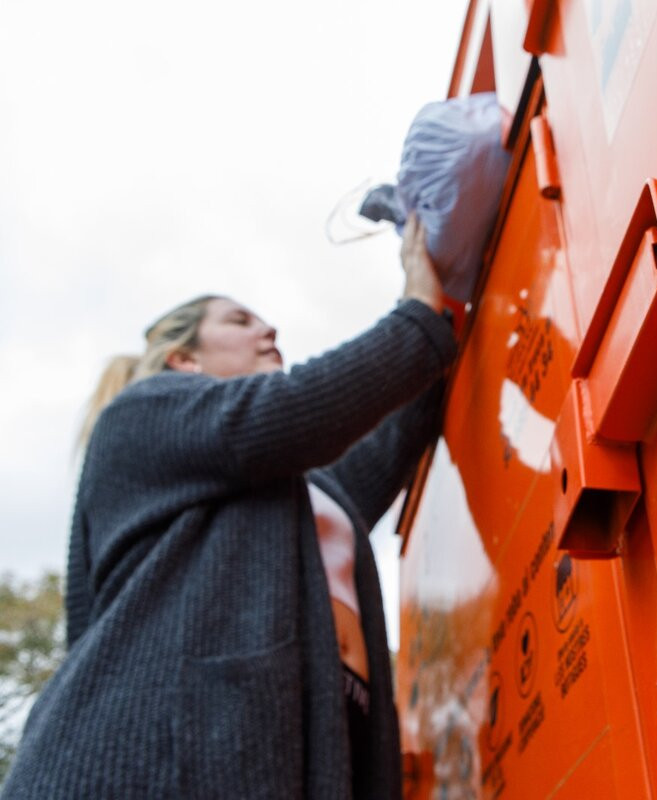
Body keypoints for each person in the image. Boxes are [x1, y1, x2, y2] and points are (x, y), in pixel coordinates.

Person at [1, 216, 454, 799]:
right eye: (239, 320)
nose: (269, 329)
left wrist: (450, 310)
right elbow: (292, 410)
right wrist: (415, 312)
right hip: (137, 768)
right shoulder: (142, 414)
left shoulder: (299, 488)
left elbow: (389, 434)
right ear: (183, 360)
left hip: (282, 756)